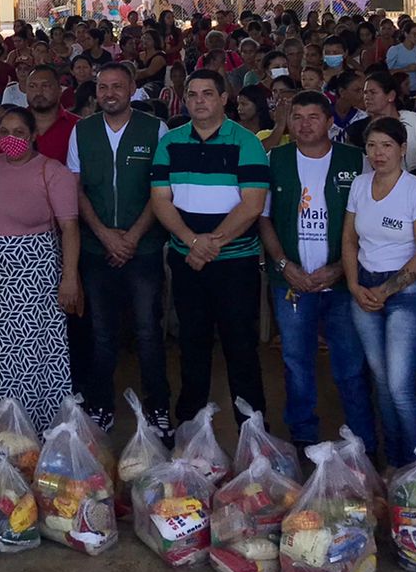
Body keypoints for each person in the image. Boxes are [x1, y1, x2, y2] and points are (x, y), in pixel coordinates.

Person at [259, 90, 376, 455]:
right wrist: (283, 265)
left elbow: (368, 223)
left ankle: (361, 440)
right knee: (296, 362)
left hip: (343, 284)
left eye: (313, 117)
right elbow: (263, 219)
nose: (304, 124)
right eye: (297, 117)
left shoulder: (356, 161)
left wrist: (342, 268)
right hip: (290, 282)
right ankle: (303, 437)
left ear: (329, 122)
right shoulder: (274, 159)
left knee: (350, 364)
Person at [151, 68, 269, 421]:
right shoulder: (170, 142)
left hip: (236, 265)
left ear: (223, 99)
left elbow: (252, 205)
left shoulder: (246, 142)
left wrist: (209, 245)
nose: (199, 101)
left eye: (207, 94)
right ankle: (190, 433)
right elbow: (160, 200)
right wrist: (191, 242)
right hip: (188, 264)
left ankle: (253, 435)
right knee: (192, 347)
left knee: (241, 350)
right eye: (192, 95)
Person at [67, 62, 170, 435]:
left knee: (147, 331)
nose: (110, 93)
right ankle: (100, 406)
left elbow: (161, 190)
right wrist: (105, 235)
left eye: (117, 86)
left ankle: (158, 407)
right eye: (103, 87)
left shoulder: (155, 128)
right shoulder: (82, 131)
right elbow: (76, 190)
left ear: (131, 90)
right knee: (102, 333)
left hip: (142, 251)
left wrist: (132, 237)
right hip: (97, 250)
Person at [0, 105, 80, 431]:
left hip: (39, 278)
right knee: (0, 352)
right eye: (4, 132)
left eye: (19, 133)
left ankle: (40, 426)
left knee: (39, 352)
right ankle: (2, 427)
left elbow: (70, 229)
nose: (11, 139)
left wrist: (69, 278)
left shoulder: (53, 171)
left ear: (33, 136)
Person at [342, 116, 416, 467]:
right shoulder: (359, 185)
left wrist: (385, 290)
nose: (378, 153)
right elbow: (350, 239)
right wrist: (354, 284)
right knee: (382, 384)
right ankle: (396, 465)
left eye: (386, 145)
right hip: (365, 290)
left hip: (406, 295)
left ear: (402, 149)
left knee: (400, 387)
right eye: (371, 146)